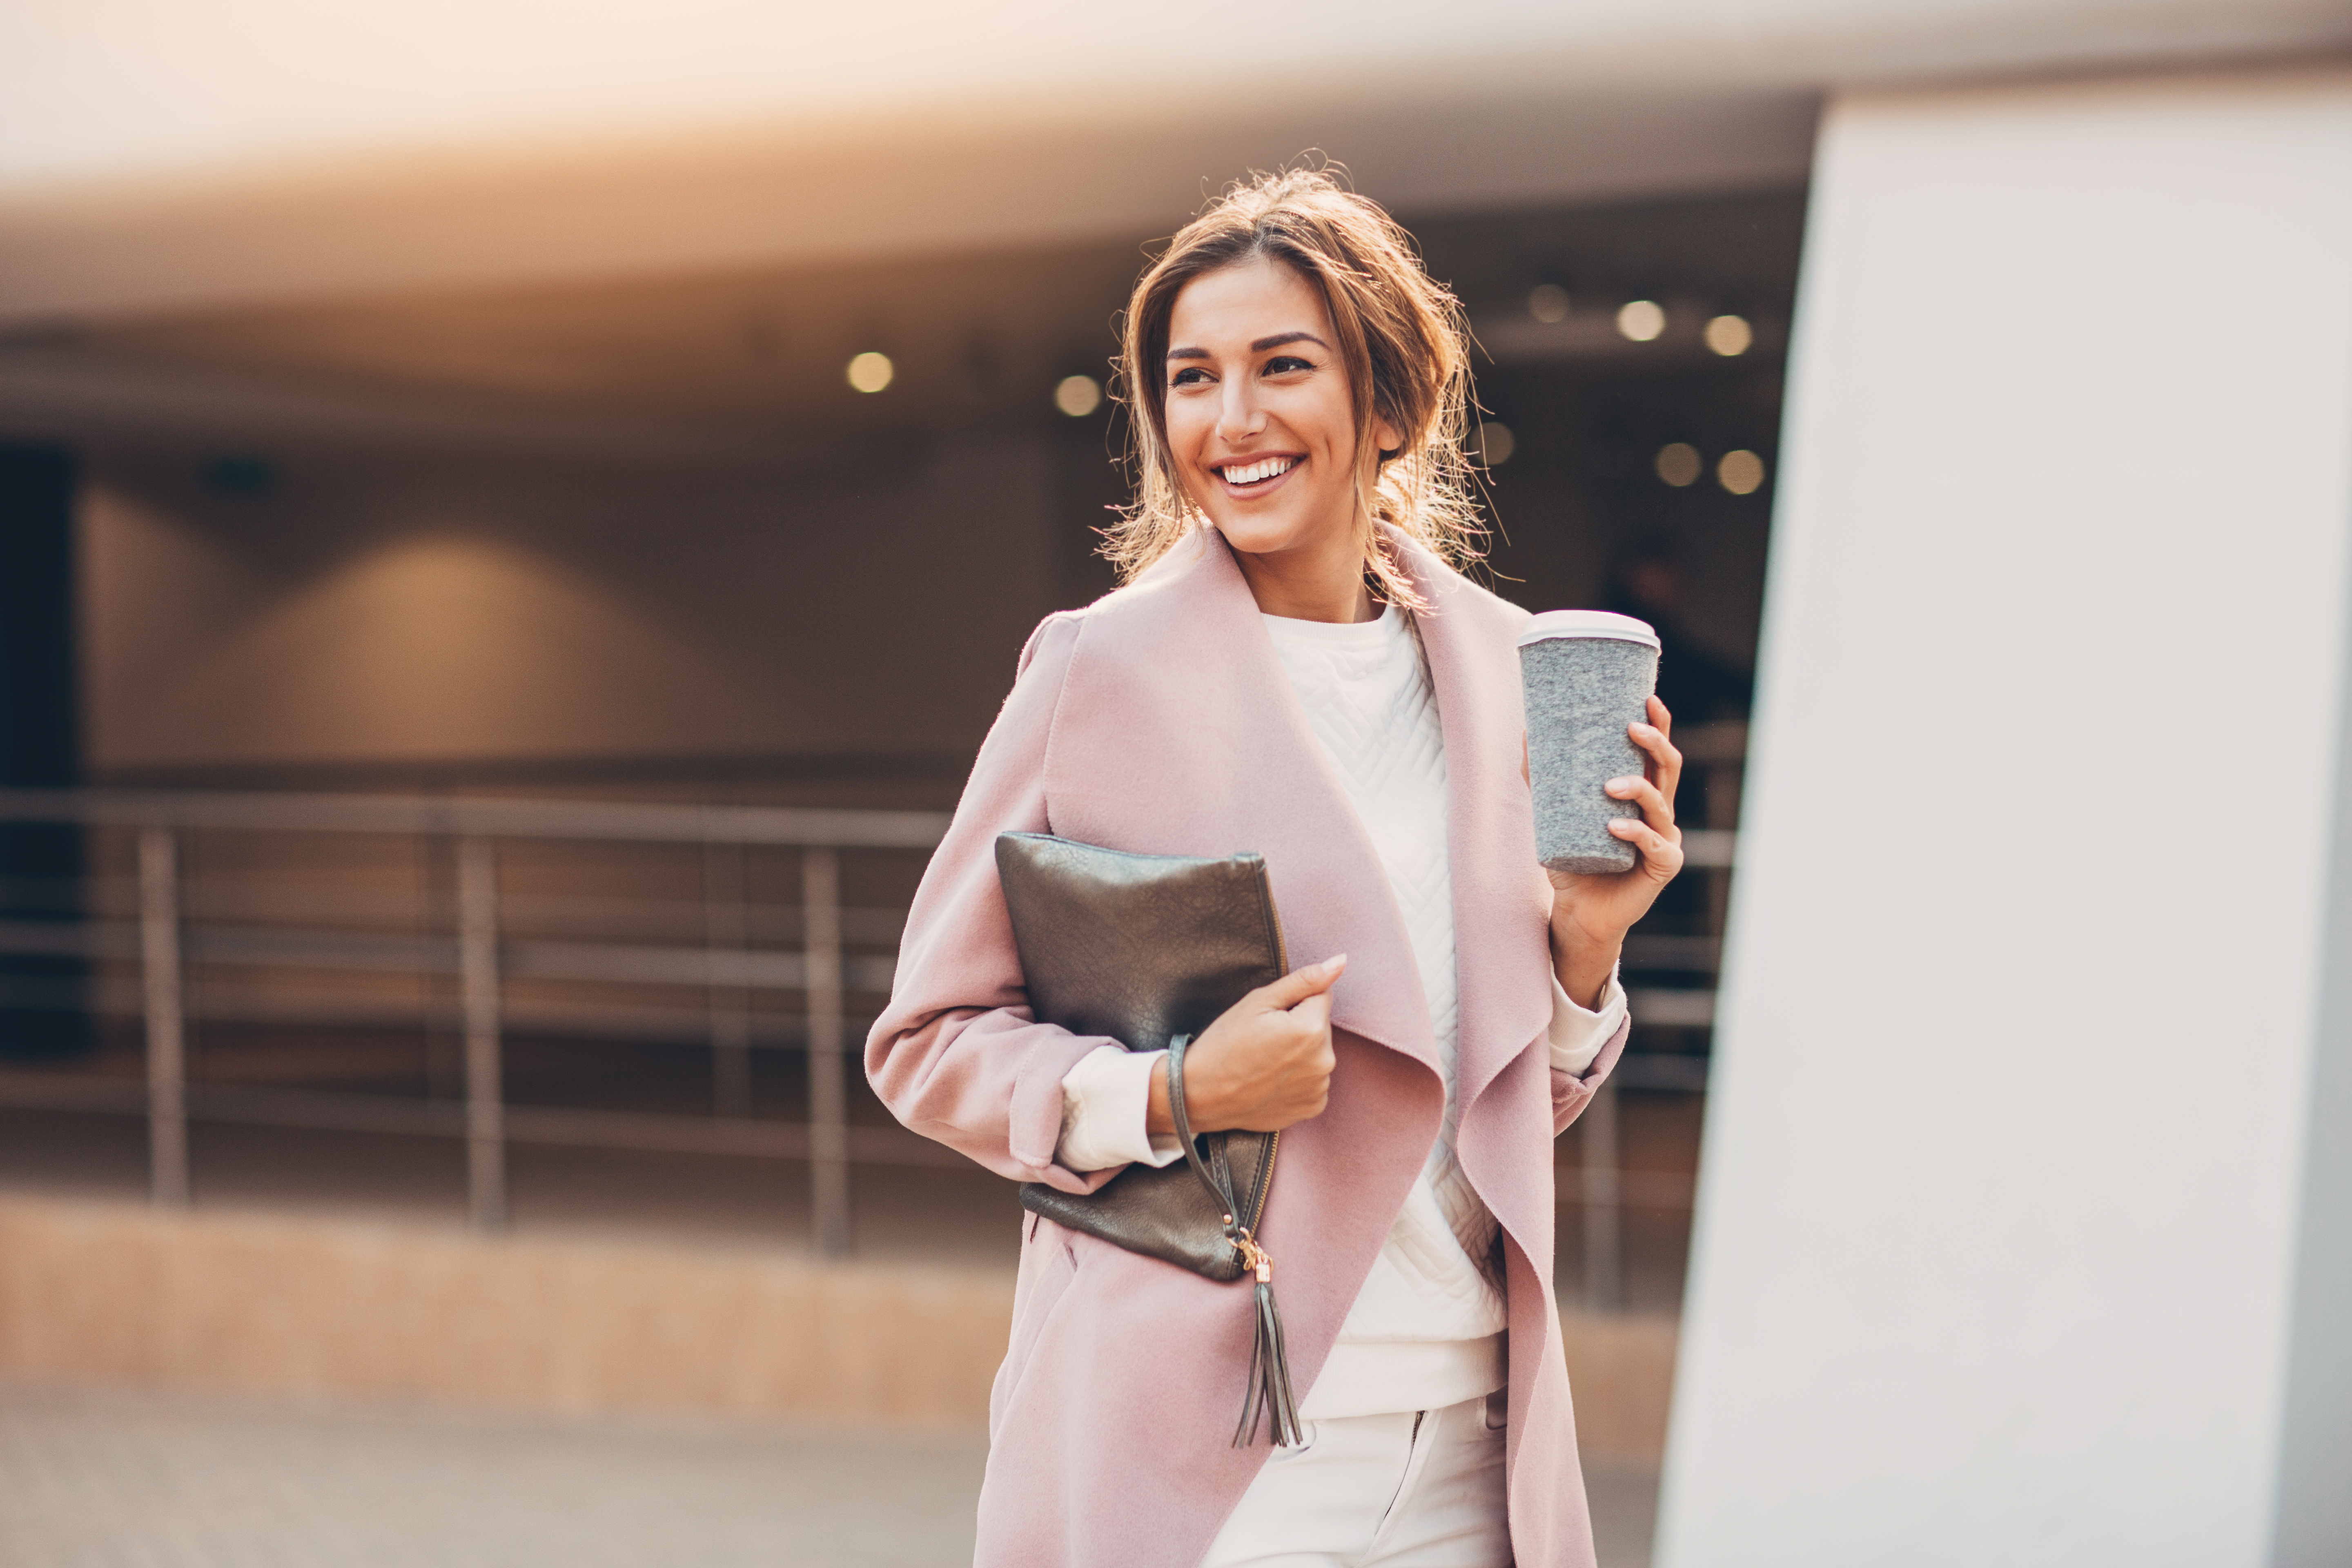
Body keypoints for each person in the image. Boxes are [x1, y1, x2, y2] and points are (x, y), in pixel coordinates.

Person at [866, 168, 1684, 1568]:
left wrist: (1585, 954)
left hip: (1470, 1442)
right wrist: (1176, 1093)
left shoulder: (1501, 669)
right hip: (1217, 1451)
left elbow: (1494, 1106)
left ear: (1390, 405)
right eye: (1192, 378)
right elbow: (927, 1040)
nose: (1230, 421)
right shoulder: (1098, 671)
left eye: (1281, 366)